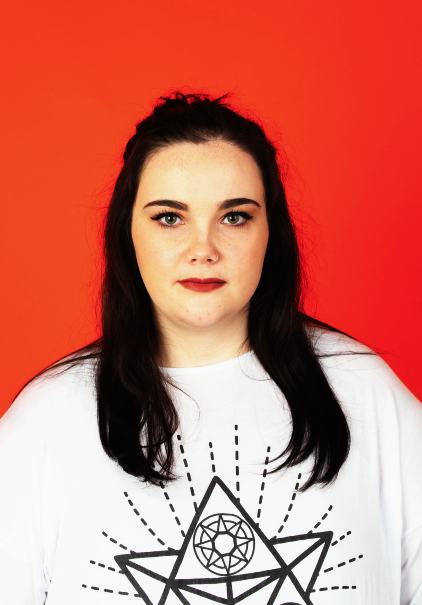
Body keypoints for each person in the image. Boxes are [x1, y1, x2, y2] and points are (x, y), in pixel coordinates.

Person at [0, 92, 421, 605]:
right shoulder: (46, 419)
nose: (203, 249)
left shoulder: (365, 392)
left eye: (235, 217)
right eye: (169, 218)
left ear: (271, 233)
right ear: (127, 232)